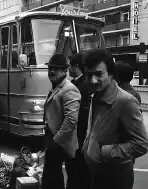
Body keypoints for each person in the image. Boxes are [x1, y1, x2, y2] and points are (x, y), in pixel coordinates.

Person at [82, 49, 148, 189]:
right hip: (95, 173)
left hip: (116, 177)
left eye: (99, 74)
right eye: (89, 75)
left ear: (111, 74)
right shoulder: (95, 95)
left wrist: (105, 152)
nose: (93, 80)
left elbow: (141, 144)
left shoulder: (125, 101)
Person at [42, 54, 81, 189]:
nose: (52, 71)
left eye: (57, 69)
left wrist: (56, 140)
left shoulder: (69, 89)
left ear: (65, 71)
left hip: (62, 143)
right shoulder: (57, 86)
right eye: (50, 68)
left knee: (53, 178)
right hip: (54, 140)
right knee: (52, 177)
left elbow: (71, 120)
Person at [68, 53, 92, 189]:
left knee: (80, 173)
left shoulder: (84, 84)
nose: (68, 69)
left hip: (79, 136)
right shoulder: (76, 83)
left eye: (69, 65)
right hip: (76, 136)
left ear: (76, 66)